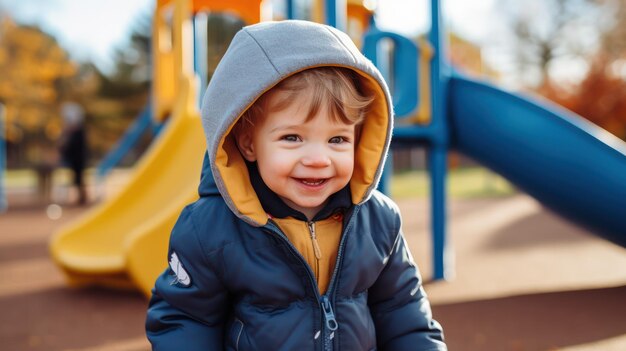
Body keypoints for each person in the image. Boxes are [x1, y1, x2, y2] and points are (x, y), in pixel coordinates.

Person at [146, 20, 446, 350]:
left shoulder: (378, 220)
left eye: (337, 139)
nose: (318, 159)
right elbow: (186, 320)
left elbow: (404, 311)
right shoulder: (210, 230)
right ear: (248, 144)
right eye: (292, 137)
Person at [59, 102, 88, 205]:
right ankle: (80, 197)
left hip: (78, 158)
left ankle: (82, 198)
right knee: (76, 178)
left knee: (79, 178)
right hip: (74, 158)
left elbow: (70, 146)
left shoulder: (77, 132)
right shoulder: (74, 132)